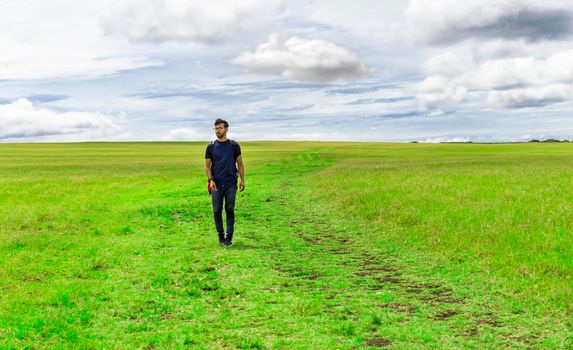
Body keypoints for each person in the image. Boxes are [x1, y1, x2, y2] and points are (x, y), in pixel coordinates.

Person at [205, 118, 245, 246]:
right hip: (216, 184)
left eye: (220, 128)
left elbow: (240, 164)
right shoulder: (210, 146)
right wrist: (210, 180)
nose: (218, 130)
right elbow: (207, 166)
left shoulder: (234, 145)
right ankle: (220, 235)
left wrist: (242, 180)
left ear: (226, 129)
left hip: (231, 183)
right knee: (216, 210)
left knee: (229, 209)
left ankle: (229, 236)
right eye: (216, 128)